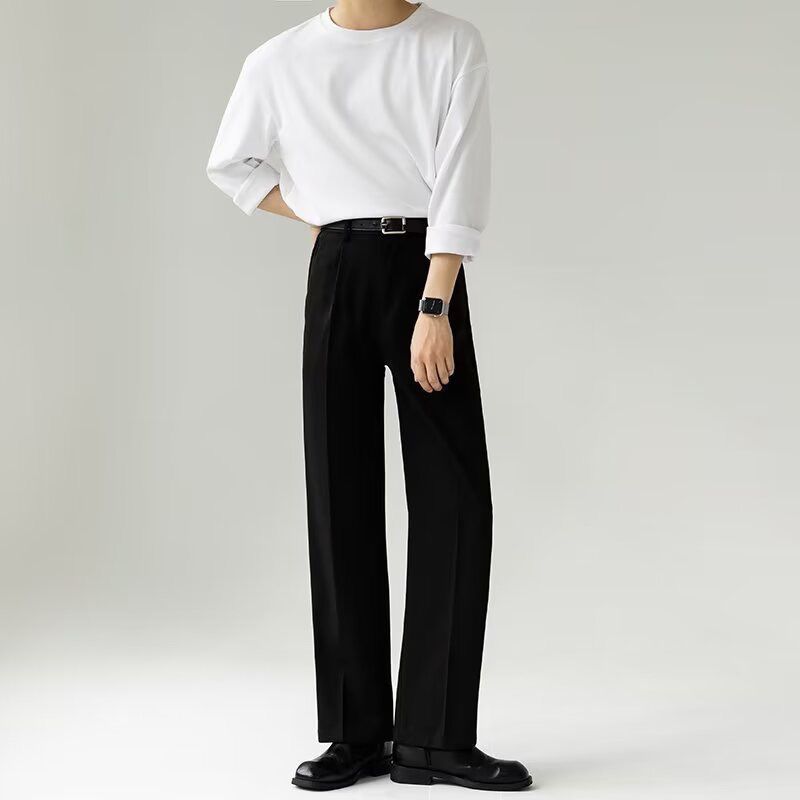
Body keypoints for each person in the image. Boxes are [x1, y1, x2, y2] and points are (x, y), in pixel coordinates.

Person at [207, 0, 531, 791]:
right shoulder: (279, 58)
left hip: (425, 269)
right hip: (338, 269)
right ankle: (355, 733)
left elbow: (461, 171)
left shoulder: (450, 43)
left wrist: (436, 302)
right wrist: (319, 211)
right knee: (338, 493)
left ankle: (434, 739)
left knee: (454, 497)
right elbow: (233, 163)